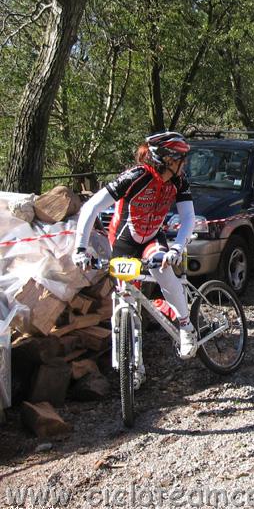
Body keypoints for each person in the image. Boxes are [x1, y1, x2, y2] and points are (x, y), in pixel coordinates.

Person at [72, 132, 197, 389]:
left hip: (153, 238)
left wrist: (176, 248)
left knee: (163, 270)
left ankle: (186, 326)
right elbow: (91, 207)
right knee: (125, 300)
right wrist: (80, 249)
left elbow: (188, 218)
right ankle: (134, 365)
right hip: (124, 241)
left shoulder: (179, 181)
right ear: (166, 159)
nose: (184, 164)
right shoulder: (135, 177)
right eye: (180, 159)